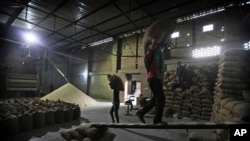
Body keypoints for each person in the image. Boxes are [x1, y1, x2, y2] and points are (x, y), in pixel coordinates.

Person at [136, 38, 166, 125]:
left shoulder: (160, 50)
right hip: (153, 77)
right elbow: (147, 57)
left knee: (155, 98)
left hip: (155, 77)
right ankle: (157, 120)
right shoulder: (154, 49)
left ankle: (140, 113)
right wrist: (152, 45)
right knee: (161, 98)